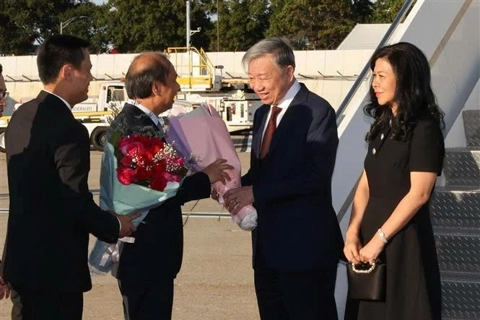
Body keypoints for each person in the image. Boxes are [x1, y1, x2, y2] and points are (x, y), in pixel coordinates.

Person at [1, 34, 140, 320]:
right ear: (67, 71)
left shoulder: (22, 115)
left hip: (21, 263)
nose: (91, 76)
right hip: (54, 272)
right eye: (87, 68)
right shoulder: (68, 129)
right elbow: (73, 201)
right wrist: (115, 225)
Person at [223, 37, 343, 320]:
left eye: (263, 77)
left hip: (305, 250)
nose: (257, 86)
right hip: (267, 250)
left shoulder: (317, 111)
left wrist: (255, 193)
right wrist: (227, 184)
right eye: (251, 78)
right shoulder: (263, 112)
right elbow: (264, 172)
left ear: (289, 72)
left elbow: (315, 176)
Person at [112, 52, 232, 320]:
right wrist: (206, 177)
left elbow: (168, 173)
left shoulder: (145, 124)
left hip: (151, 253)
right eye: (174, 81)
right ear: (156, 87)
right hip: (145, 253)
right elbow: (158, 190)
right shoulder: (136, 128)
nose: (178, 87)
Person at [343, 42, 444, 320]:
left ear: (407, 78)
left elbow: (420, 194)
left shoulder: (424, 128)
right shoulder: (383, 123)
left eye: (382, 75)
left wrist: (379, 240)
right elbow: (365, 183)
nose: (374, 83)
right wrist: (353, 231)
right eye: (373, 75)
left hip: (403, 242)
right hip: (371, 237)